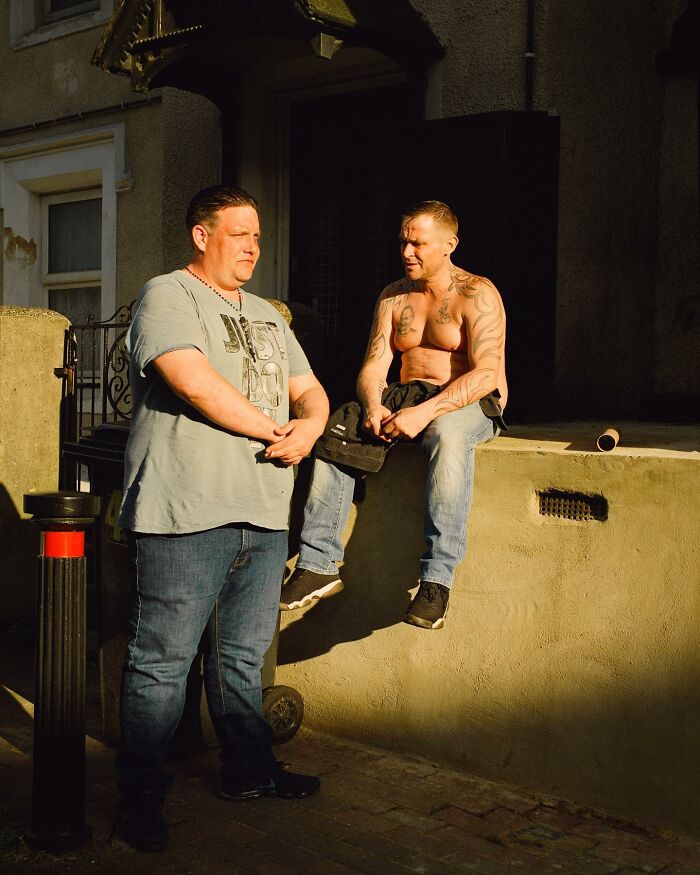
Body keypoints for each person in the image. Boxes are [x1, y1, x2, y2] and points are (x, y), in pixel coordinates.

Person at [117, 185, 329, 852]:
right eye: (239, 234)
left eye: (258, 235)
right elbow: (192, 381)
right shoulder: (167, 295)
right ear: (201, 235)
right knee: (161, 663)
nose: (252, 247)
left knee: (242, 658)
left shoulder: (267, 314)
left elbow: (309, 389)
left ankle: (249, 771)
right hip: (185, 511)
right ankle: (139, 799)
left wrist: (310, 426)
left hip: (262, 511)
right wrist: (277, 428)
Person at [281, 200, 507, 630]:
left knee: (447, 434)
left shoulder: (477, 293)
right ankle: (317, 564)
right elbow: (374, 367)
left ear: (450, 244)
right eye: (403, 242)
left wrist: (424, 414)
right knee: (337, 428)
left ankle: (436, 581)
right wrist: (373, 405)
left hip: (466, 400)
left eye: (418, 244)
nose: (407, 252)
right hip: (407, 396)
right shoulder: (393, 296)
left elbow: (486, 375)